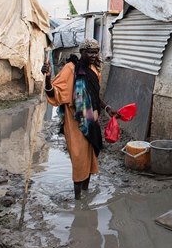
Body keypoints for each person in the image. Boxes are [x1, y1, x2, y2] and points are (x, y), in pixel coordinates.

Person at [41, 38, 118, 200]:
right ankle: (78, 200)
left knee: (90, 155)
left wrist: (107, 108)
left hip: (92, 119)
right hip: (75, 120)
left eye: (95, 52)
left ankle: (85, 192)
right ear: (81, 52)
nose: (93, 55)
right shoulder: (71, 69)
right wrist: (48, 77)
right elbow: (53, 92)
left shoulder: (95, 70)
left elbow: (95, 96)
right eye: (89, 51)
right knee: (79, 157)